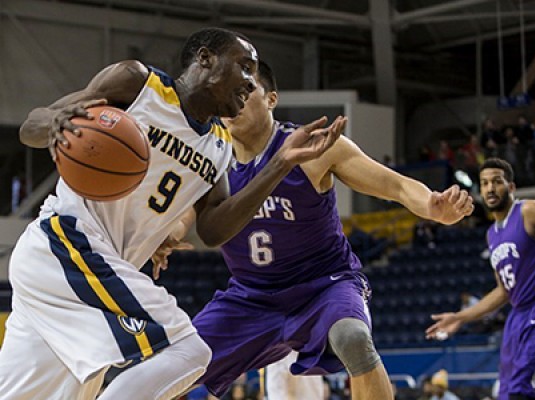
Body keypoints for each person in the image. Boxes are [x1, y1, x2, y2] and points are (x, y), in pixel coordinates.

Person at [0, 28, 344, 400]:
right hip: (67, 242)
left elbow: (213, 230)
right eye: (244, 68)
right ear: (206, 59)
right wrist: (54, 123)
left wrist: (279, 165)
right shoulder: (138, 84)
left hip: (87, 268)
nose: (250, 82)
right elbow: (32, 125)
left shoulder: (219, 146)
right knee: (186, 350)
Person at [154, 61, 474, 400]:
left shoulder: (313, 148)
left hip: (324, 286)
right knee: (171, 371)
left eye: (244, 93)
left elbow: (396, 186)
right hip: (251, 296)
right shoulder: (212, 161)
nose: (232, 105)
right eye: (225, 96)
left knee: (353, 339)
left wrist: (432, 206)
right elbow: (184, 216)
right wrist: (164, 237)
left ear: (271, 99)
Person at [426, 157, 535, 400]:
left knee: (526, 391)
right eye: (484, 183)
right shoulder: (491, 235)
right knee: (508, 394)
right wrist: (460, 317)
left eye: (496, 181)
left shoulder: (530, 210)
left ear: (511, 187)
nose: (490, 188)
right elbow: (503, 291)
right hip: (517, 316)